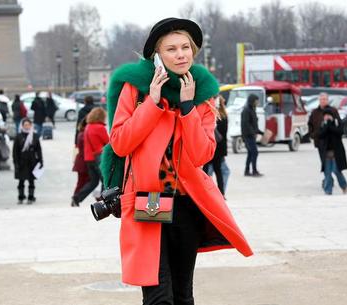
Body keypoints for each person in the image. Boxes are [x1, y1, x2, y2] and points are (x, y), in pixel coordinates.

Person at [101, 17, 252, 304]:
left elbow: (201, 154)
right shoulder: (135, 88)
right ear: (157, 55)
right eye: (171, 49)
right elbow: (120, 143)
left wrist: (186, 107)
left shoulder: (202, 92)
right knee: (158, 296)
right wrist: (153, 104)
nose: (180, 54)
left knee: (183, 295)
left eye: (185, 47)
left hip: (187, 203)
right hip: (152, 199)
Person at [71, 107, 109, 207]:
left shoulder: (88, 127)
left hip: (89, 159)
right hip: (98, 157)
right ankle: (104, 201)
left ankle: (77, 197)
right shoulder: (100, 128)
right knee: (105, 180)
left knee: (93, 182)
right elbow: (108, 142)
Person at [317, 107, 347, 195]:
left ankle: (344, 185)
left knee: (336, 170)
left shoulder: (337, 123)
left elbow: (339, 132)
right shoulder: (323, 124)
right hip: (326, 153)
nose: (327, 117)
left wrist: (331, 125)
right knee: (327, 173)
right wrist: (327, 125)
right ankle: (328, 191)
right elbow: (320, 135)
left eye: (329, 115)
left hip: (336, 152)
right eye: (325, 115)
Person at [13, 118, 43, 204]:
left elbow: (39, 150)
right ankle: (21, 197)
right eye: (25, 125)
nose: (26, 126)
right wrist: (16, 163)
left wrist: (41, 161)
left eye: (28, 125)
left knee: (31, 181)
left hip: (32, 161)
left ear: (30, 125)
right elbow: (15, 151)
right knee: (21, 181)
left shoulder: (35, 136)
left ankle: (31, 197)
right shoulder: (18, 136)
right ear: (22, 126)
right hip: (21, 161)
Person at [203, 95, 228, 195]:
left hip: (211, 147)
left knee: (206, 171)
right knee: (219, 172)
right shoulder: (225, 116)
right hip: (220, 148)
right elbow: (224, 135)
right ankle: (221, 193)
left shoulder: (213, 114)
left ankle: (206, 192)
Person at [241, 94, 263, 176]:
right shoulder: (246, 110)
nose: (257, 102)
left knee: (251, 153)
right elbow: (246, 124)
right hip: (248, 136)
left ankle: (247, 171)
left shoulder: (252, 110)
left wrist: (261, 132)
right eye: (256, 101)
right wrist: (253, 133)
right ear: (252, 101)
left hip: (251, 135)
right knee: (254, 152)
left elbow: (254, 124)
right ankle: (254, 171)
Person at [71, 118, 90, 201]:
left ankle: (76, 197)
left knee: (85, 181)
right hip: (82, 162)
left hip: (82, 161)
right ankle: (75, 197)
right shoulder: (83, 134)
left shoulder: (82, 133)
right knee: (82, 181)